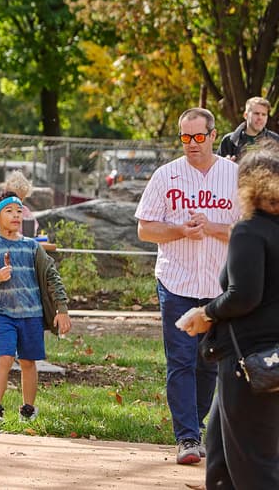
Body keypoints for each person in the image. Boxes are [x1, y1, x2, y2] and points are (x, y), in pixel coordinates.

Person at [136, 107, 239, 466]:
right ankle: (187, 437)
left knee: (207, 361)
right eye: (185, 138)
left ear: (213, 135)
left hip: (218, 284)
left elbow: (248, 232)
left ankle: (195, 425)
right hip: (176, 281)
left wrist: (211, 227)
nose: (192, 145)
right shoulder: (166, 176)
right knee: (180, 360)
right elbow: (145, 229)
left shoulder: (235, 177)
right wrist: (180, 230)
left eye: (198, 137)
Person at [176, 147, 279, 489]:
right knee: (220, 452)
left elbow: (244, 295)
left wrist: (205, 312)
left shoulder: (250, 229)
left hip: (250, 360)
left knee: (254, 461)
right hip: (267, 357)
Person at [0, 195, 71, 424]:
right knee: (4, 358)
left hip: (32, 314)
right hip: (3, 315)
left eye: (19, 211)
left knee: (28, 362)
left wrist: (62, 308)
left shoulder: (32, 247)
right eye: (9, 211)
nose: (16, 215)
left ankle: (28, 409)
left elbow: (51, 277)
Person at [218, 96, 279, 161]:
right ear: (246, 115)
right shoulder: (228, 141)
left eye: (264, 114)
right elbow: (217, 168)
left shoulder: (275, 140)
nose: (260, 118)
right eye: (256, 113)